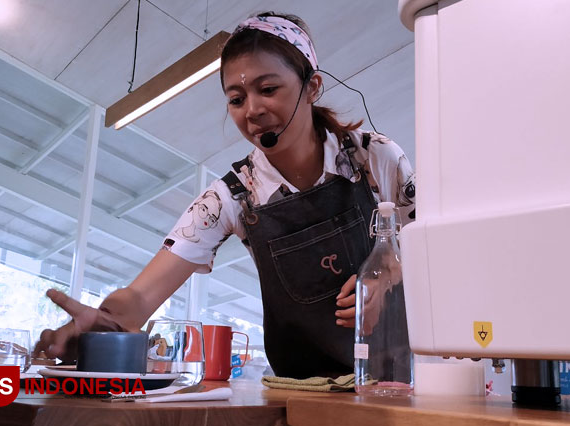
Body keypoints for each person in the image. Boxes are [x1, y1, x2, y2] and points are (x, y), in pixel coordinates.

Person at [33, 11, 415, 379]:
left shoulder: (375, 158)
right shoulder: (231, 198)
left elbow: (437, 248)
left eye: (268, 89)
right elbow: (140, 296)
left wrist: (387, 275)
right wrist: (105, 322)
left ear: (312, 86)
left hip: (397, 383)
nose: (252, 110)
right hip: (300, 394)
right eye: (236, 98)